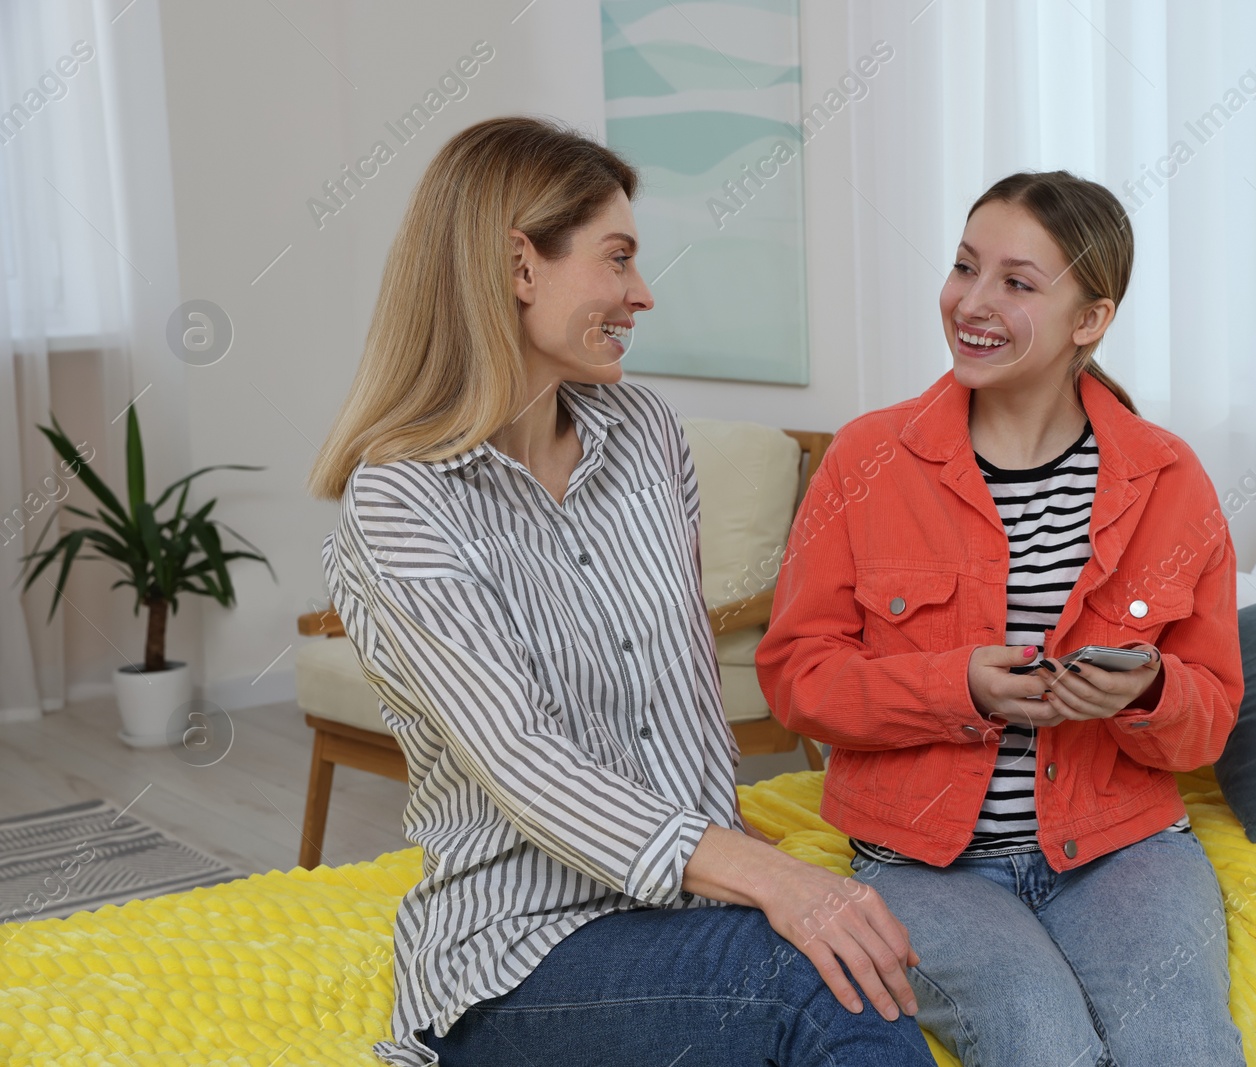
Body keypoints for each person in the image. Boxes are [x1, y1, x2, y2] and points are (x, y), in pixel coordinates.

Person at [307, 116, 937, 1067]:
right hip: (517, 952)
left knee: (849, 964)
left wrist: (748, 872)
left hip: (679, 912)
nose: (641, 295)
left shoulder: (643, 430)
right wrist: (773, 880)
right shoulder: (401, 497)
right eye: (617, 259)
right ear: (521, 266)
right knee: (822, 986)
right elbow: (519, 759)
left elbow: (676, 686)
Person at [755, 170, 1249, 1067]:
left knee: (1180, 1045)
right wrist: (957, 688)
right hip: (923, 862)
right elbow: (797, 678)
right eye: (964, 267)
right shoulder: (868, 458)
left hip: (1122, 848)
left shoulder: (1169, 477)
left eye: (1018, 283)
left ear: (1089, 321)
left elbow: (1209, 715)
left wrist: (1148, 692)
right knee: (1042, 1038)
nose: (972, 303)